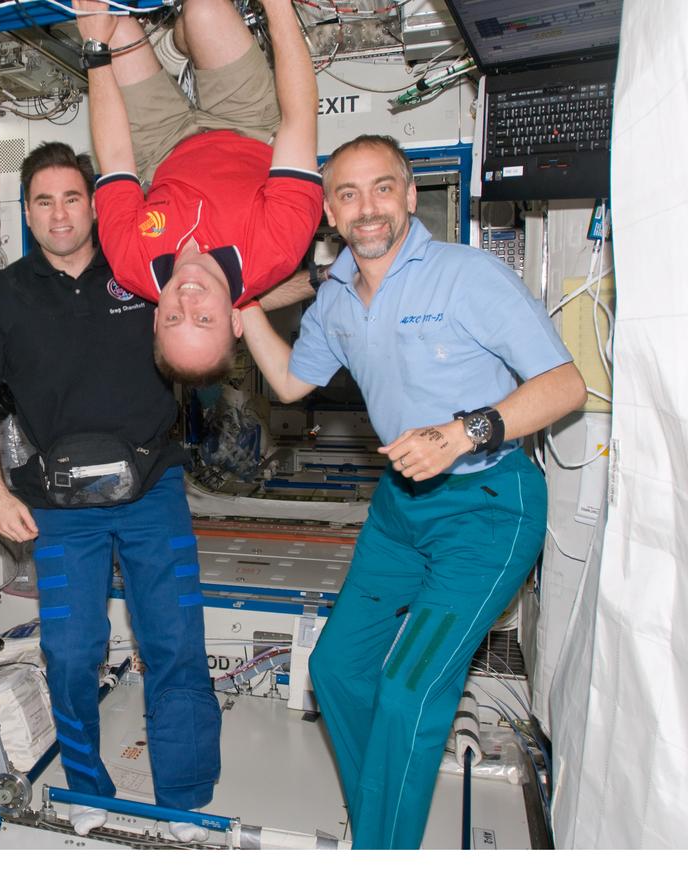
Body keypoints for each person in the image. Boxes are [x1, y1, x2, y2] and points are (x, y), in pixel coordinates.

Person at [239, 134, 587, 849]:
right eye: (347, 193)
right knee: (336, 669)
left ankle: (381, 849)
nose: (367, 209)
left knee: (408, 691)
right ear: (330, 211)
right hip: (401, 511)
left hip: (487, 508)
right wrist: (239, 305)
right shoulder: (335, 297)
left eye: (381, 188)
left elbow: (565, 386)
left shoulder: (467, 276)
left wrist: (464, 433)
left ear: (406, 193)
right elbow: (290, 383)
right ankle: (383, 823)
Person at [0, 142, 221, 841]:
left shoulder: (141, 270)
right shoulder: (2, 295)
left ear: (95, 205)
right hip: (61, 506)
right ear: (27, 212)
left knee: (175, 644)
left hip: (152, 490)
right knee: (71, 653)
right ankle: (88, 789)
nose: (59, 213)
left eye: (73, 197)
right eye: (44, 200)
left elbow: (213, 310)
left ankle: (185, 801)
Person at [74, 0, 323, 384]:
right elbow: (299, 117)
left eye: (173, 318)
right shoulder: (279, 248)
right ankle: (185, 38)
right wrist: (278, 7)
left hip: (161, 148)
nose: (187, 301)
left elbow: (117, 157)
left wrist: (94, 51)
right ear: (235, 318)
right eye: (204, 319)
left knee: (114, 28)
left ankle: (177, 47)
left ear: (156, 318)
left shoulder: (128, 265)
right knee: (204, 9)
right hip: (247, 126)